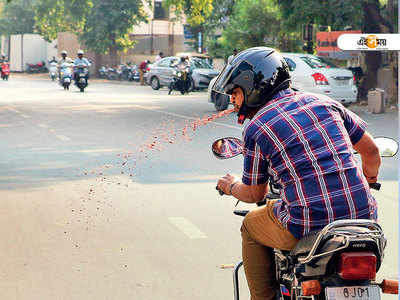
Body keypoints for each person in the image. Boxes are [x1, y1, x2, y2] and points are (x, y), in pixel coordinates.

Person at [213, 47, 381, 300]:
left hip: (307, 224)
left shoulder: (257, 128)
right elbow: (372, 152)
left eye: (235, 93)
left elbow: (253, 192)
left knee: (250, 224)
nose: (234, 102)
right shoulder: (326, 103)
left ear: (254, 87)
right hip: (365, 220)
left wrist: (230, 185)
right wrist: (368, 183)